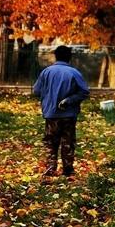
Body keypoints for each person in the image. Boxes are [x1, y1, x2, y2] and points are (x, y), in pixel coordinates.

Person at [32, 44, 90, 178]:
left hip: (51, 114)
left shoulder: (46, 72)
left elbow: (36, 90)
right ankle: (68, 170)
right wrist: (69, 100)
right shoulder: (74, 73)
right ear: (69, 58)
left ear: (55, 56)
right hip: (69, 114)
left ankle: (50, 169)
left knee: (50, 142)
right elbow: (84, 92)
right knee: (68, 142)